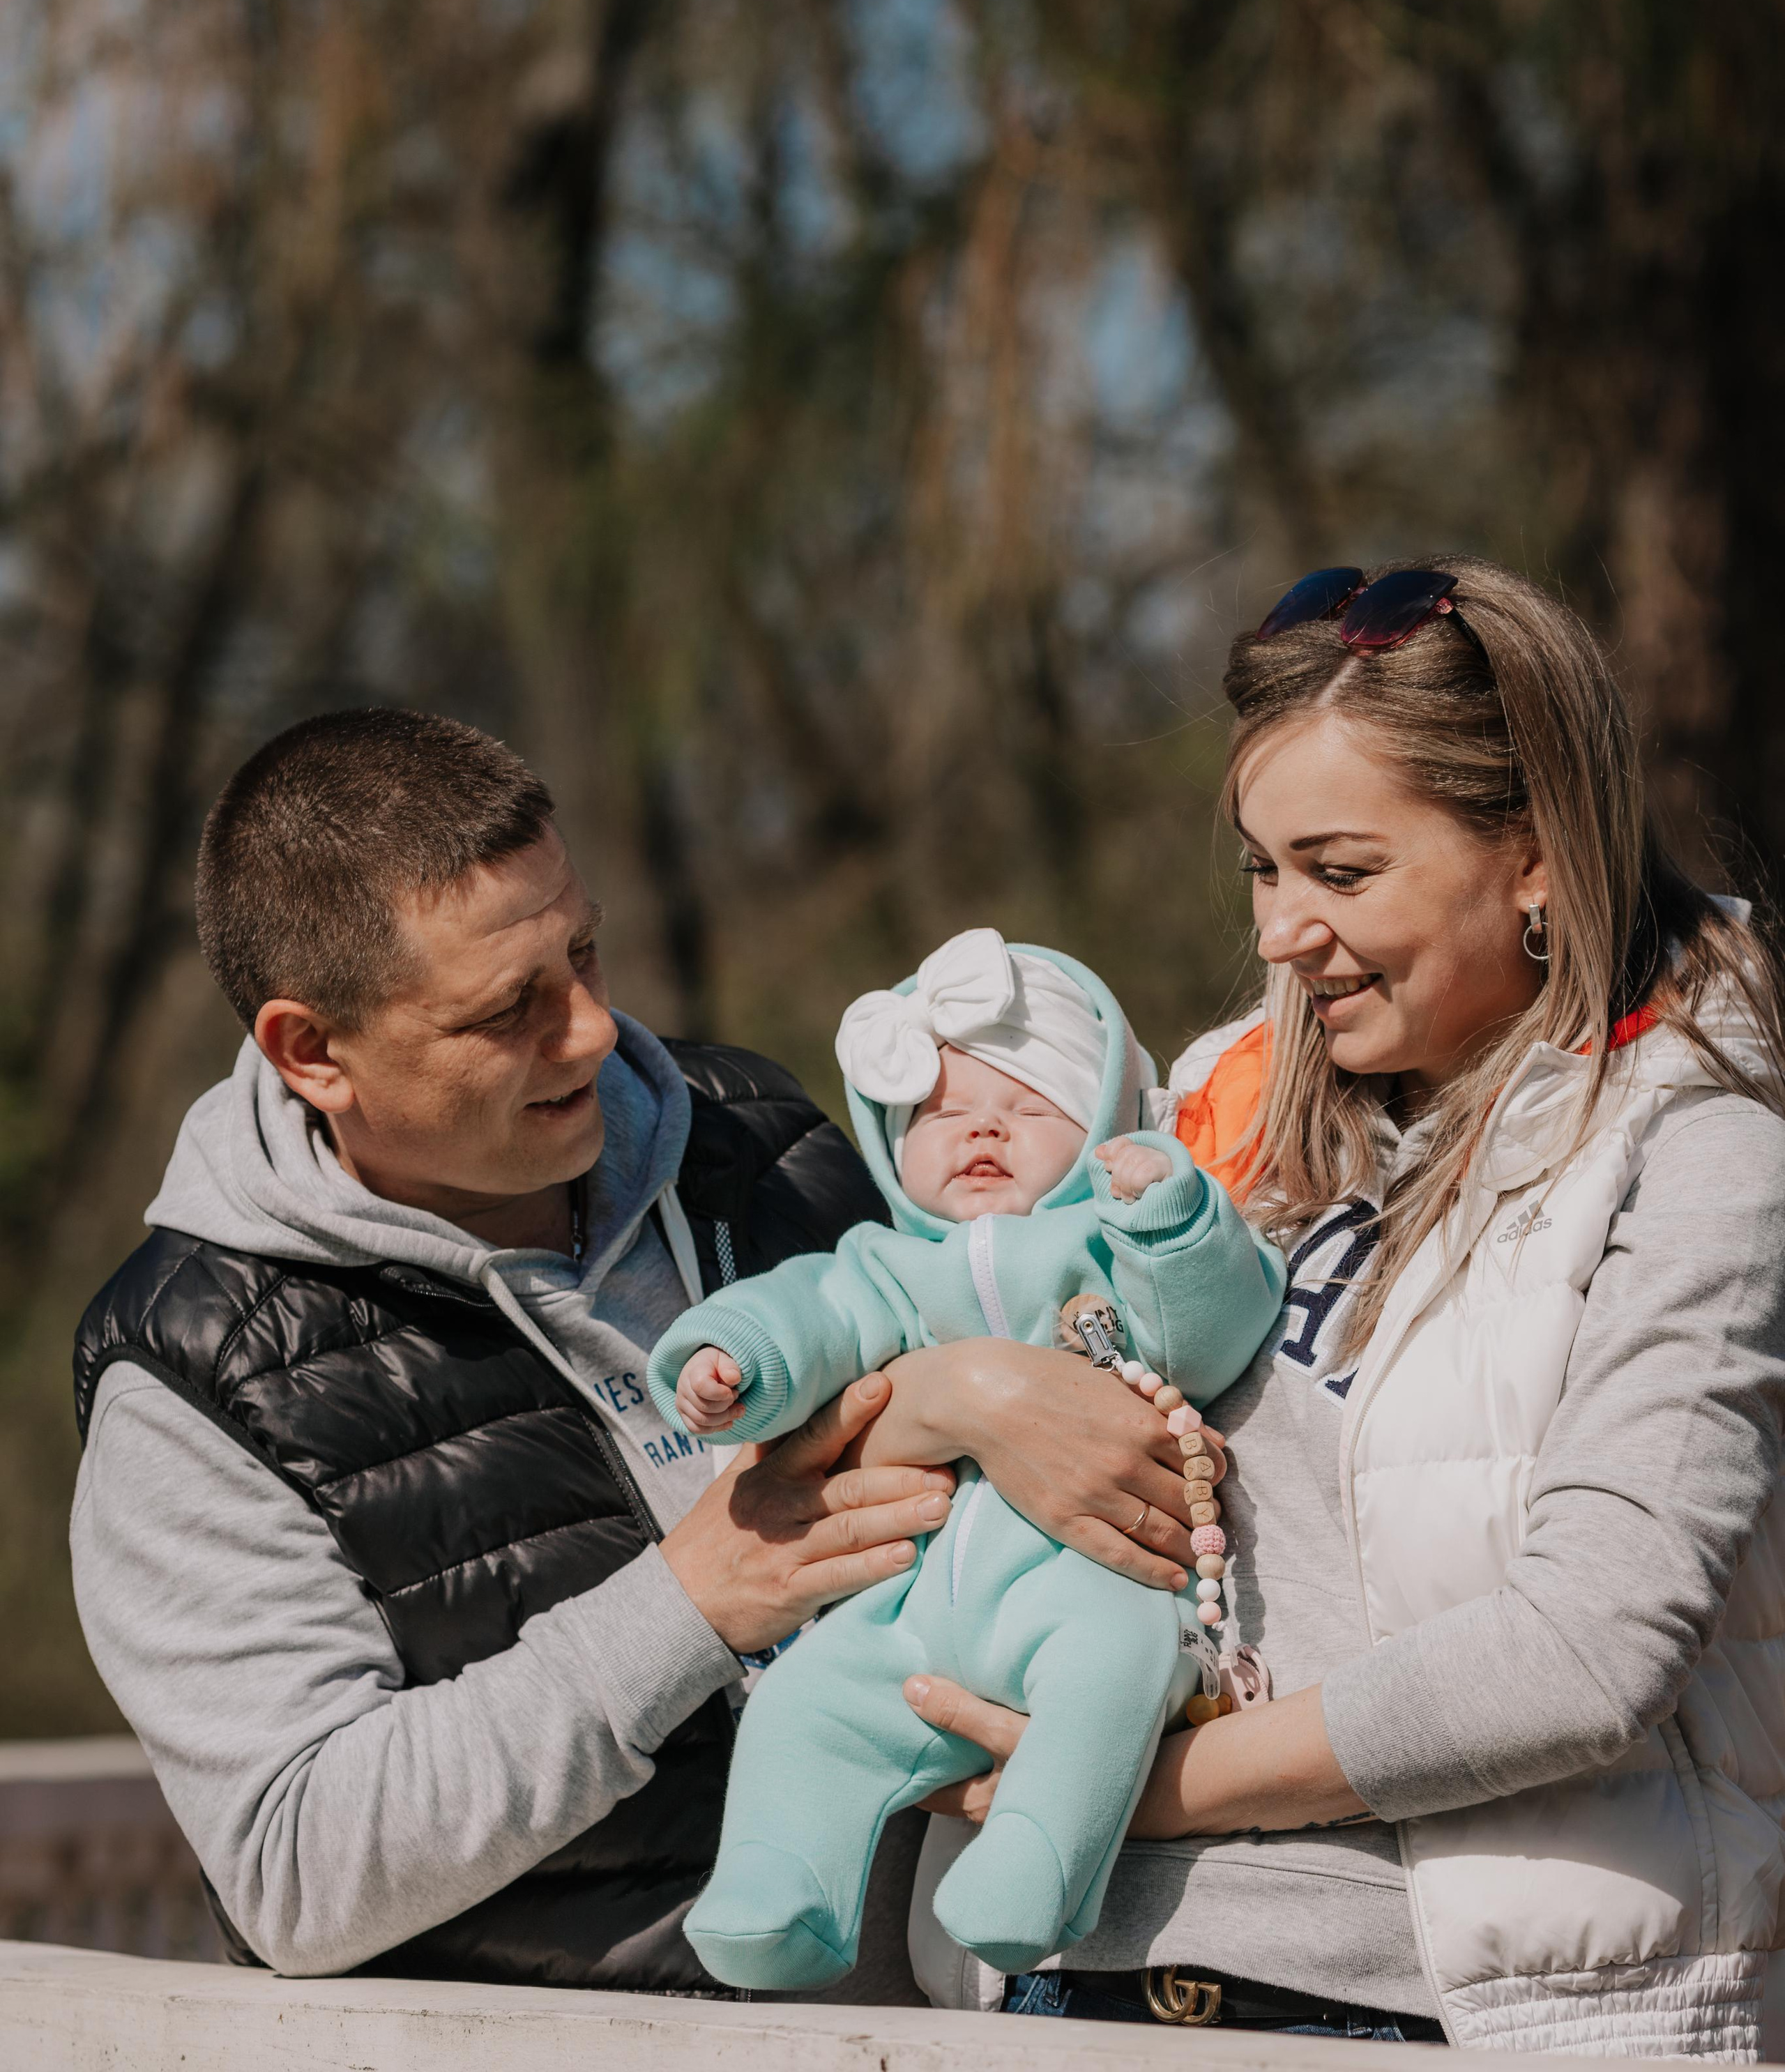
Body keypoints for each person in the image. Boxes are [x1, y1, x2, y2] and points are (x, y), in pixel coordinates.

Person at [68, 707, 1219, 1990]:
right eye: (510, 1009)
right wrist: (687, 1606)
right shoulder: (192, 1380)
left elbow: (1018, 1322)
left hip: (986, 2004)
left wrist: (974, 1389)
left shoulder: (768, 1140)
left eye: (586, 952)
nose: (594, 1029)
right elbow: (295, 1874)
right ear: (312, 1051)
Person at [892, 561, 1785, 2055]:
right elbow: (945, 1336)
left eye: (1340, 872)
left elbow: (1582, 1653)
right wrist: (948, 1400)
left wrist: (1113, 1776)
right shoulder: (1208, 1114)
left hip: (1393, 2012)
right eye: (1259, 869)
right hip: (1048, 1982)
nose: (1281, 934)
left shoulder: (1696, 1156)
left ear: (1534, 857)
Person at [648, 928, 1284, 1988]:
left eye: (1032, 1107)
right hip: (907, 1604)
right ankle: (776, 1891)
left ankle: (1034, 1874)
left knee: (1114, 1672)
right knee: (808, 1707)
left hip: (1091, 1582)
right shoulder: (883, 1264)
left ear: (1104, 1130)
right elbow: (810, 1319)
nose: (983, 1126)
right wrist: (735, 1361)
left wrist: (1169, 1220)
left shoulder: (1105, 1247)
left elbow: (1213, 1331)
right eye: (940, 1113)